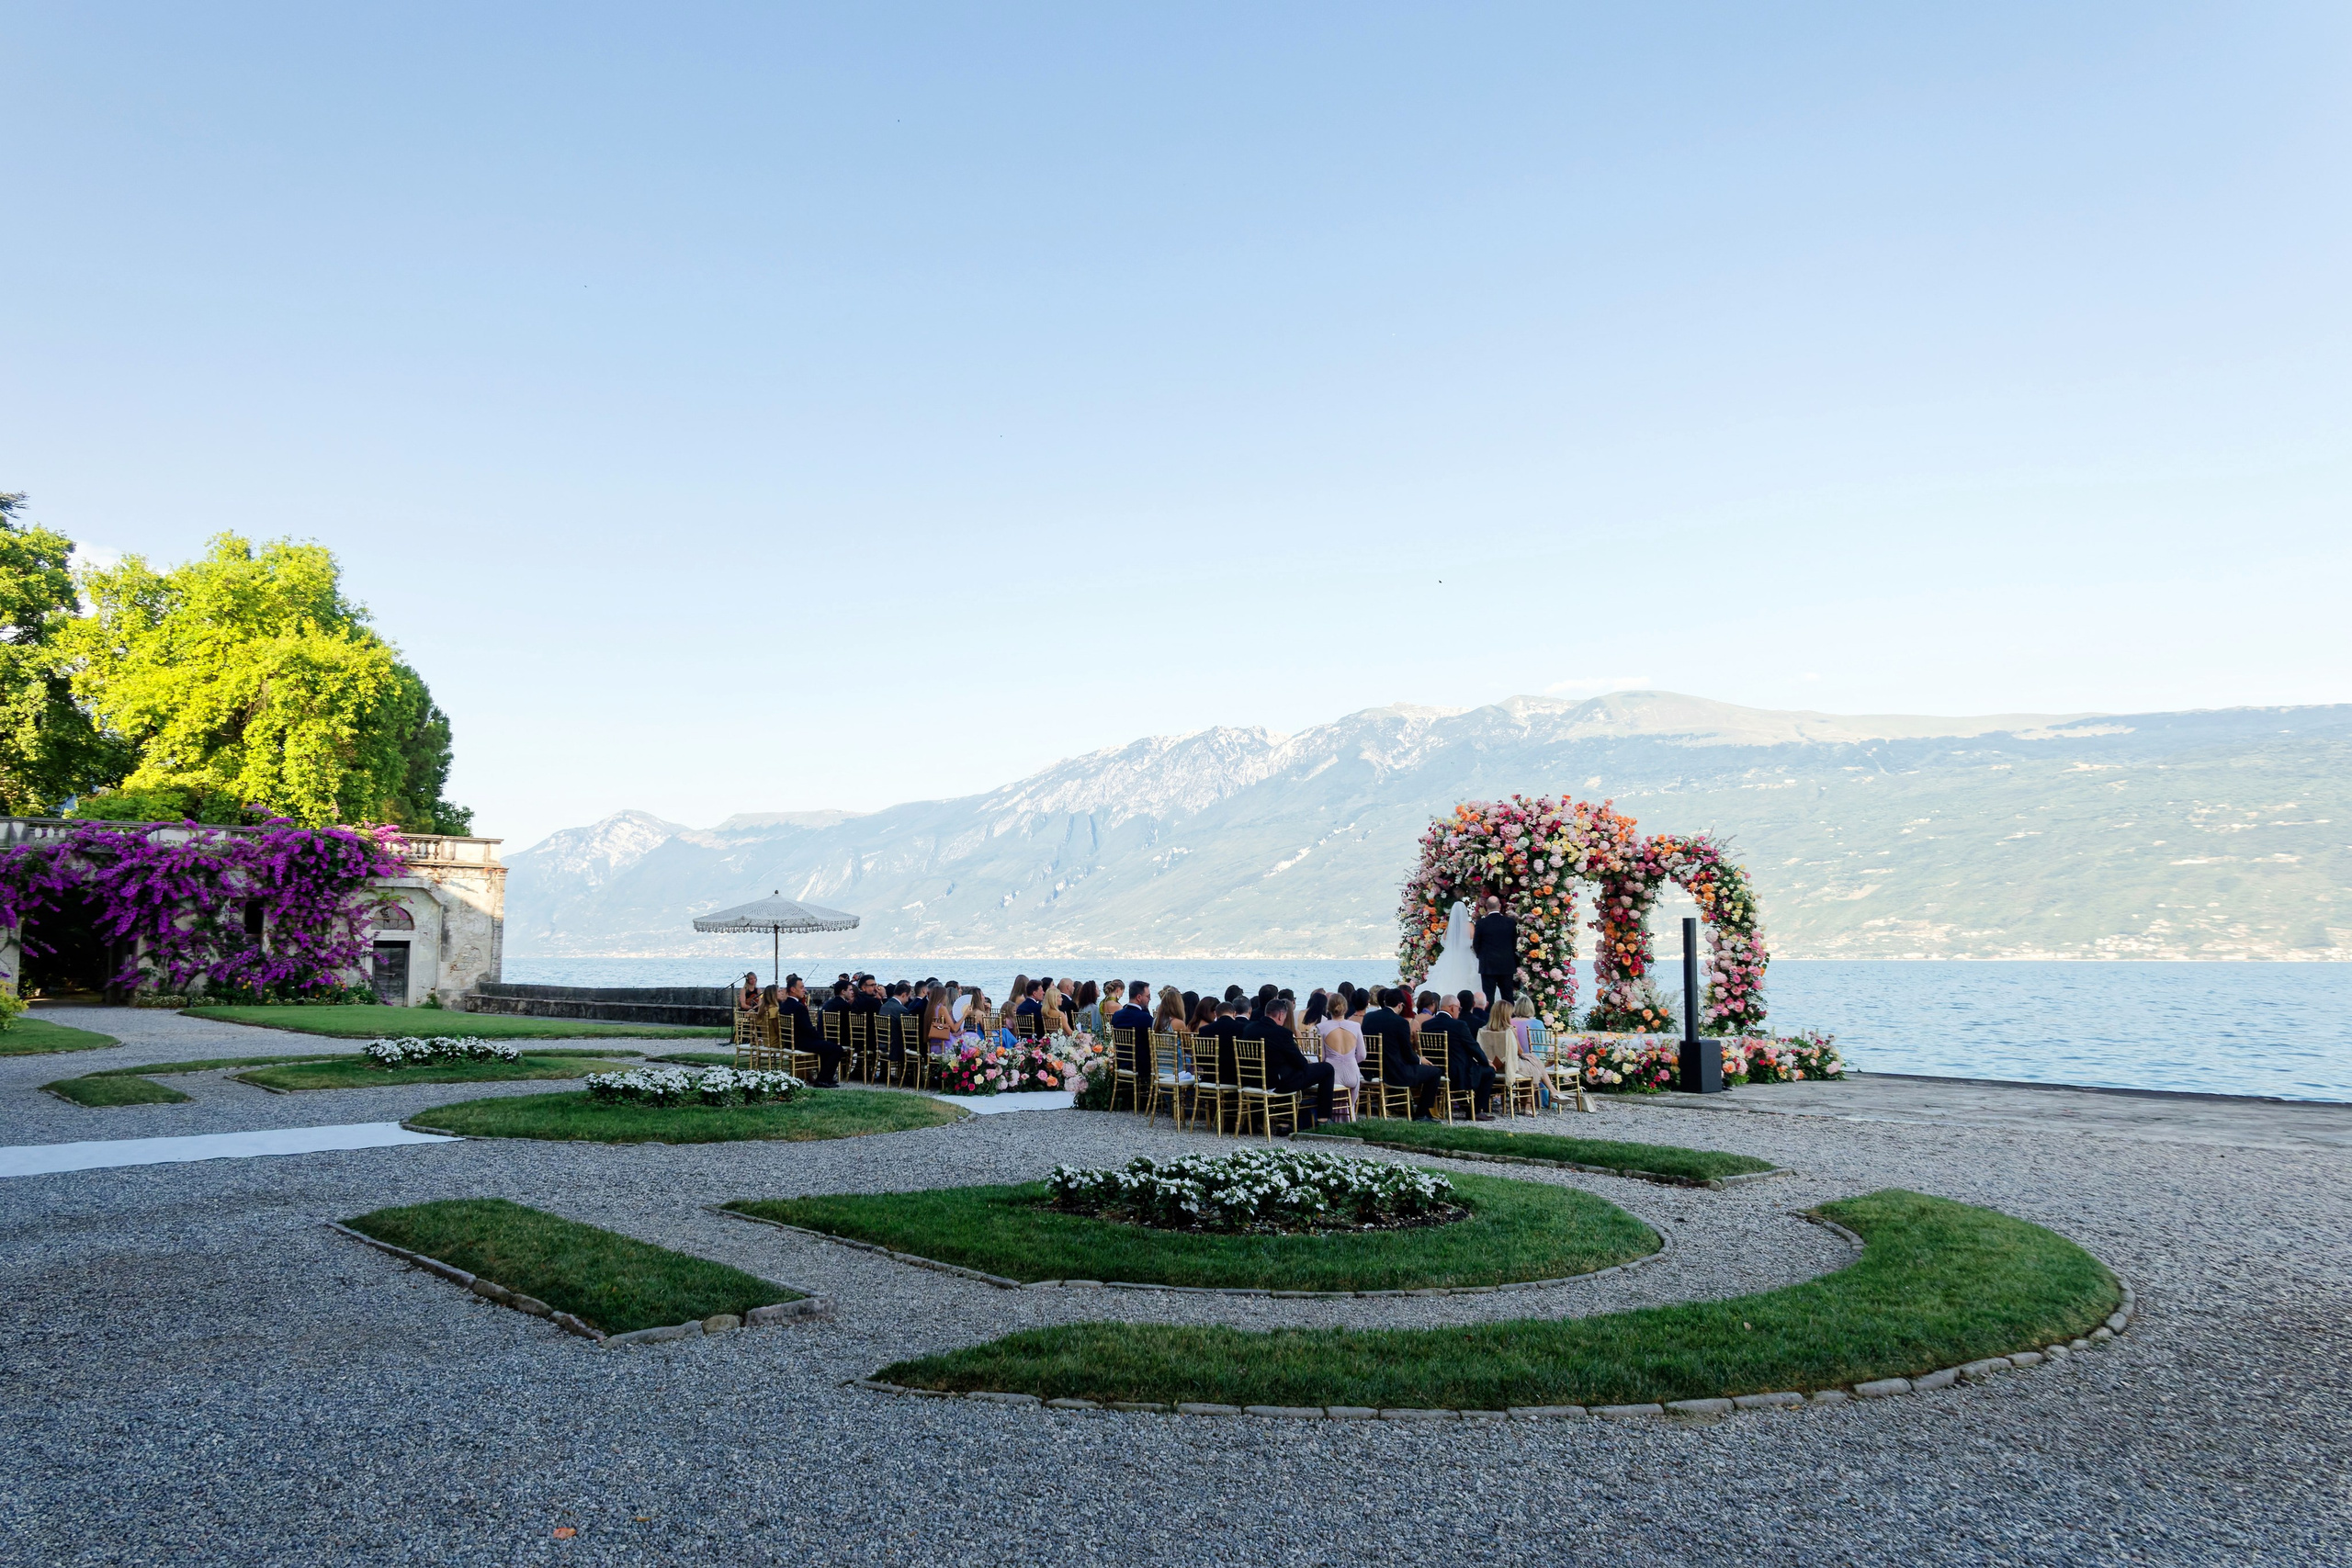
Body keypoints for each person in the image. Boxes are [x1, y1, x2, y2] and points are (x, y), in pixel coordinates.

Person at [1247, 997, 1334, 1130]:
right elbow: (1301, 1063)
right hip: (1277, 1083)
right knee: (1327, 1069)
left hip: (1253, 1080)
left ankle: (1283, 1123)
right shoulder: (1282, 1033)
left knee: (1286, 1072)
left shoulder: (1249, 1029)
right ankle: (1323, 1118)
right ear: (1281, 1015)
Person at [1365, 987, 1440, 1118]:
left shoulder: (1368, 1017)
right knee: (1435, 1072)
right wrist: (1419, 1059)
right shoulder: (1400, 1022)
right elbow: (1407, 1053)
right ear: (1400, 1005)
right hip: (1394, 1072)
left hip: (1371, 1070)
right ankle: (1421, 1114)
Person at [1426, 991, 1496, 1119]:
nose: (1459, 1011)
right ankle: (1476, 1111)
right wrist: (1486, 1062)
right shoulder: (1459, 1025)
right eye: (1459, 1008)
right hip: (1456, 1071)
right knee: (1489, 1072)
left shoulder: (1427, 1025)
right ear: (1452, 1008)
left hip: (1434, 1069)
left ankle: (1468, 1108)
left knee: (1469, 1069)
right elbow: (1473, 1047)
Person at [777, 974, 840, 1086]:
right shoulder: (798, 1007)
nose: (804, 990)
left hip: (790, 1041)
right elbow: (808, 1028)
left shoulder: (784, 1005)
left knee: (827, 1047)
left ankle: (825, 1078)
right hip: (802, 1042)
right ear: (793, 989)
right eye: (801, 987)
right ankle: (823, 1079)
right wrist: (820, 1037)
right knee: (837, 1049)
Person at [1317, 993, 1366, 1119]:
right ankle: (1349, 1116)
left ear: (1328, 1009)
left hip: (1332, 1075)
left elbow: (1321, 1057)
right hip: (1352, 1073)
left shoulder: (1322, 1027)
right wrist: (1351, 1060)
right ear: (1346, 1008)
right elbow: (1362, 1055)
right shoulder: (1355, 1026)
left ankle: (1331, 1117)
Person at [1425, 899, 1482, 999]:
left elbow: (1443, 942)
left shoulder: (1450, 927)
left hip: (1450, 957)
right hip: (1466, 957)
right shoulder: (1469, 926)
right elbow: (1474, 942)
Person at [1474, 895, 1520, 1010]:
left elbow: (1476, 944)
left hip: (1488, 965)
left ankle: (1489, 1019)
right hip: (1506, 964)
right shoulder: (1510, 922)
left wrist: (1482, 956)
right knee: (1507, 997)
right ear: (1499, 906)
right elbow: (1514, 944)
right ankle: (1508, 1019)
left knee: (1488, 998)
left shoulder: (1481, 923)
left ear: (1486, 906)